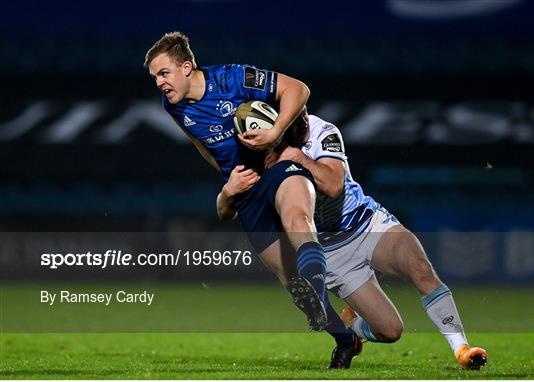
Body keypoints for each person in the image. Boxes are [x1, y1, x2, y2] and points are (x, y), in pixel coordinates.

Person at [217, 112, 488, 370]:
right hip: (331, 253)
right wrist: (227, 193)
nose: (301, 119)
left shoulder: (323, 131)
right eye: (291, 114)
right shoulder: (260, 154)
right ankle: (354, 326)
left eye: (301, 111)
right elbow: (226, 212)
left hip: (364, 222)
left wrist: (297, 157)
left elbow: (334, 185)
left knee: (420, 267)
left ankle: (462, 348)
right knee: (390, 331)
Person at [144, 31, 331, 332]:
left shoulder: (233, 78)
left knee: (297, 219)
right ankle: (345, 338)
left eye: (164, 73)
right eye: (154, 77)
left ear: (187, 68)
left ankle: (320, 284)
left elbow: (298, 89)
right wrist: (227, 180)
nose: (159, 83)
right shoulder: (174, 106)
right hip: (246, 185)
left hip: (275, 166)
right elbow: (201, 144)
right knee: (293, 283)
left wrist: (275, 133)